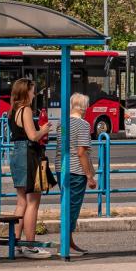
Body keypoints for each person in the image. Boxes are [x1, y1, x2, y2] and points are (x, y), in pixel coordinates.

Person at [8, 79, 52, 258]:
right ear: (26, 92)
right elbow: (33, 136)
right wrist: (44, 129)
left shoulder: (13, 110)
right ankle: (30, 245)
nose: (35, 95)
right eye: (33, 91)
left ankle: (16, 243)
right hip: (28, 154)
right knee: (33, 201)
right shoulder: (25, 109)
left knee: (21, 202)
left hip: (17, 154)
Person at [58, 92, 98, 259]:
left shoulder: (63, 123)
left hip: (62, 168)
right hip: (76, 170)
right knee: (72, 208)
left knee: (66, 205)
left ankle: (69, 242)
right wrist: (89, 175)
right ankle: (66, 244)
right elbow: (82, 152)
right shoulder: (83, 125)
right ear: (84, 107)